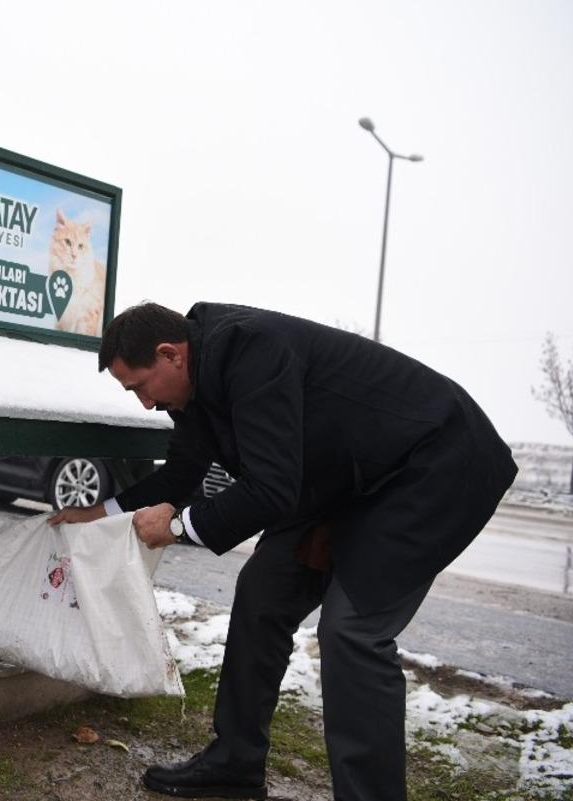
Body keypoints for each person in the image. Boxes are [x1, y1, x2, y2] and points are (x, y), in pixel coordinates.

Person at [49, 302, 517, 801]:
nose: (144, 403)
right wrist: (103, 511)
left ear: (171, 354)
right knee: (262, 592)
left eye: (140, 386)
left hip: (433, 464)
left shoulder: (253, 352)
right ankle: (235, 764)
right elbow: (183, 474)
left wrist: (181, 527)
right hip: (345, 481)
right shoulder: (195, 386)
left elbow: (271, 491)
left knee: (351, 632)